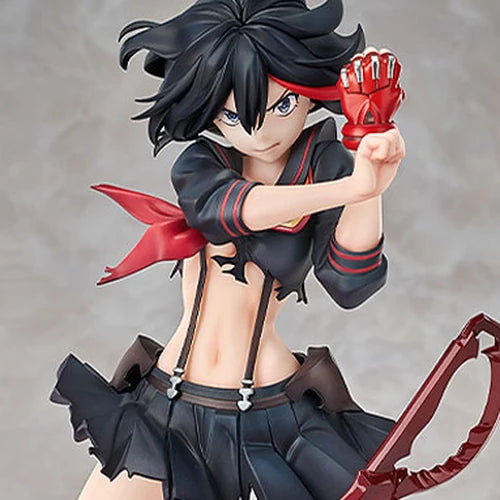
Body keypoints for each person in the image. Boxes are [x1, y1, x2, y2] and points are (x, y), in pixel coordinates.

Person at [50, 1, 406, 499]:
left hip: (268, 414)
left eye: (282, 105)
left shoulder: (324, 164)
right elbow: (229, 210)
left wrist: (371, 183)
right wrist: (353, 188)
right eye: (232, 114)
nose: (259, 133)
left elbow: (350, 282)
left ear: (310, 90)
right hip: (168, 399)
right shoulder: (204, 161)